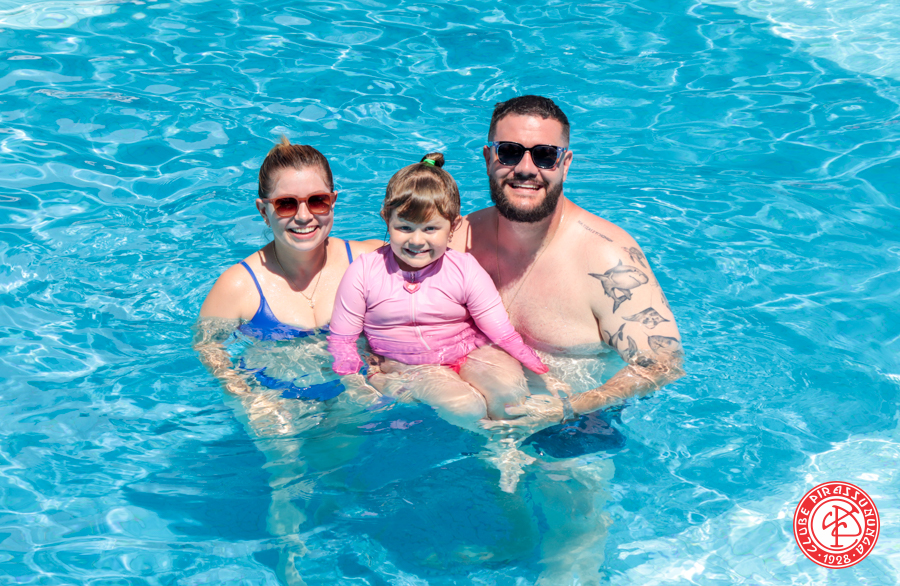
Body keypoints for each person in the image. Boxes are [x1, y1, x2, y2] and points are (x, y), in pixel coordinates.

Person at [452, 95, 685, 426]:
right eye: (510, 152)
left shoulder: (607, 258)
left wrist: (567, 409)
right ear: (488, 157)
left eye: (545, 155)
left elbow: (663, 364)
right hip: (468, 416)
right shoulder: (455, 240)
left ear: (565, 163)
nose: (526, 169)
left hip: (573, 427)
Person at [327, 153, 569, 430]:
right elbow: (342, 341)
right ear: (386, 220)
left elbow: (501, 331)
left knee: (509, 398)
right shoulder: (364, 272)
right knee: (467, 407)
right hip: (411, 366)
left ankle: (507, 448)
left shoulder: (464, 269)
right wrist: (353, 381)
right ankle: (490, 441)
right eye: (404, 227)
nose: (417, 240)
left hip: (471, 352)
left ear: (453, 226)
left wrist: (539, 371)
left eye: (430, 228)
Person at [196, 138, 381, 399]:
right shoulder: (239, 286)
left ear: (333, 202)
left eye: (317, 200)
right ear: (263, 211)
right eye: (286, 204)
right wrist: (250, 400)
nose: (303, 216)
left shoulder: (372, 260)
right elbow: (207, 347)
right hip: (279, 402)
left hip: (362, 394)